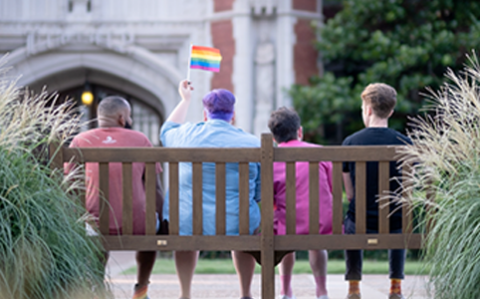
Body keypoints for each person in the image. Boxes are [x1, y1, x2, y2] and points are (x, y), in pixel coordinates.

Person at [160, 80, 261, 299]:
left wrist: (185, 100)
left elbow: (166, 130)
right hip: (237, 222)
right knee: (244, 219)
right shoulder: (253, 143)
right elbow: (259, 192)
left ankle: (185, 294)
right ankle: (245, 293)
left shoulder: (184, 136)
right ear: (232, 115)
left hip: (189, 222)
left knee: (186, 222)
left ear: (205, 115)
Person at [68, 96, 164, 299]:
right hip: (138, 225)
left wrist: (75, 219)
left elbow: (69, 186)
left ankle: (97, 283)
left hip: (93, 224)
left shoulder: (80, 140)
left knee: (95, 225)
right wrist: (162, 220)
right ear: (122, 118)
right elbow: (155, 189)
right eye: (128, 116)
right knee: (151, 226)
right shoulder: (141, 140)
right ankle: (141, 288)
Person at [341, 83, 412, 299]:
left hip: (360, 223)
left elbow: (350, 194)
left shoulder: (350, 143)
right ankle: (395, 287)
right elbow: (408, 189)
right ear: (391, 111)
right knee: (400, 220)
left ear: (368, 110)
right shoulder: (406, 143)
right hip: (395, 221)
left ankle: (354, 286)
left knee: (350, 222)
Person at [268, 107, 332, 299]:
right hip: (320, 223)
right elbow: (331, 187)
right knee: (316, 235)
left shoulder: (271, 158)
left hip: (287, 224)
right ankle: (322, 291)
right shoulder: (320, 153)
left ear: (273, 138)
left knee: (284, 228)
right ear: (300, 131)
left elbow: (269, 197)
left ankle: (285, 290)